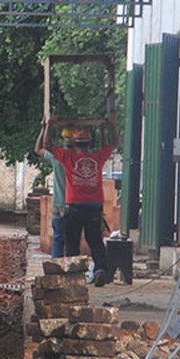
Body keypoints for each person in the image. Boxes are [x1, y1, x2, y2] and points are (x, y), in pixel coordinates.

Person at [39, 115, 118, 287]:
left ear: (74, 143)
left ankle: (74, 276)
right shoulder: (97, 158)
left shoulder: (68, 157)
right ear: (90, 143)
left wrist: (49, 126)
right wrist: (108, 126)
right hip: (94, 207)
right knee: (96, 242)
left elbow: (45, 146)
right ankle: (100, 271)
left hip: (74, 206)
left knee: (72, 243)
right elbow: (112, 144)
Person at [34, 126, 73, 258]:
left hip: (58, 204)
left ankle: (55, 269)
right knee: (72, 241)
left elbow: (38, 149)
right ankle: (72, 269)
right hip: (75, 205)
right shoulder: (80, 158)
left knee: (58, 238)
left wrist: (44, 128)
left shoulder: (58, 157)